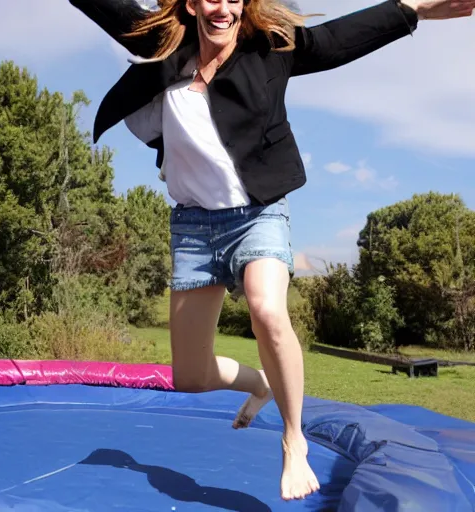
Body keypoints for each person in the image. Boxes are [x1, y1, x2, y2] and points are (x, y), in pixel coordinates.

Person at [69, 0, 474, 500]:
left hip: (257, 214)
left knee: (265, 307)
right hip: (194, 227)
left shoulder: (270, 49)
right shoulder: (164, 46)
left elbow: (339, 40)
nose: (223, 7)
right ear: (193, 4)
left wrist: (413, 10)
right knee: (190, 377)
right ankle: (262, 380)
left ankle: (292, 440)